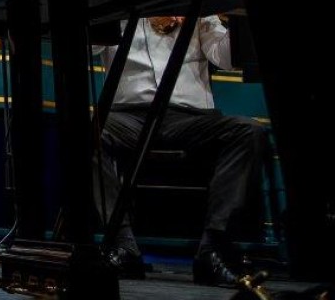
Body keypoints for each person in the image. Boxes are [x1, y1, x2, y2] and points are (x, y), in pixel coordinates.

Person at [95, 15, 270, 288]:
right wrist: (117, 14)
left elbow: (226, 58)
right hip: (130, 114)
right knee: (87, 133)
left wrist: (233, 12)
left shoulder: (200, 12)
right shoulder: (120, 11)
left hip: (190, 117)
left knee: (249, 132)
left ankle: (212, 249)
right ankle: (123, 245)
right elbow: (91, 45)